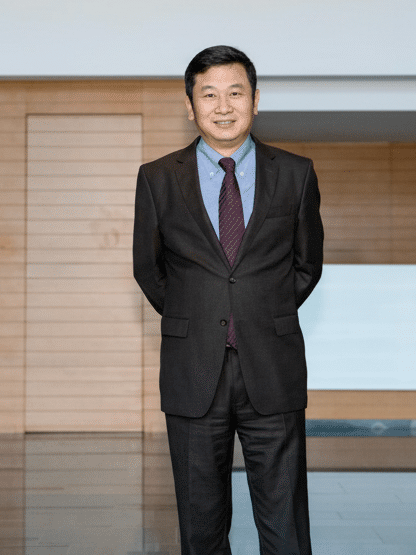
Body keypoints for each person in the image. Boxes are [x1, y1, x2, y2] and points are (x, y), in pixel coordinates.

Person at [133, 45, 324, 555]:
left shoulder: (296, 173)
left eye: (235, 93)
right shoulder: (156, 178)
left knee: (285, 526)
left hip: (273, 366)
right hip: (193, 369)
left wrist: (260, 312)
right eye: (209, 94)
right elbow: (149, 270)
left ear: (256, 100)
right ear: (190, 105)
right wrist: (199, 318)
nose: (223, 106)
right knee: (201, 527)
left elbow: (307, 266)